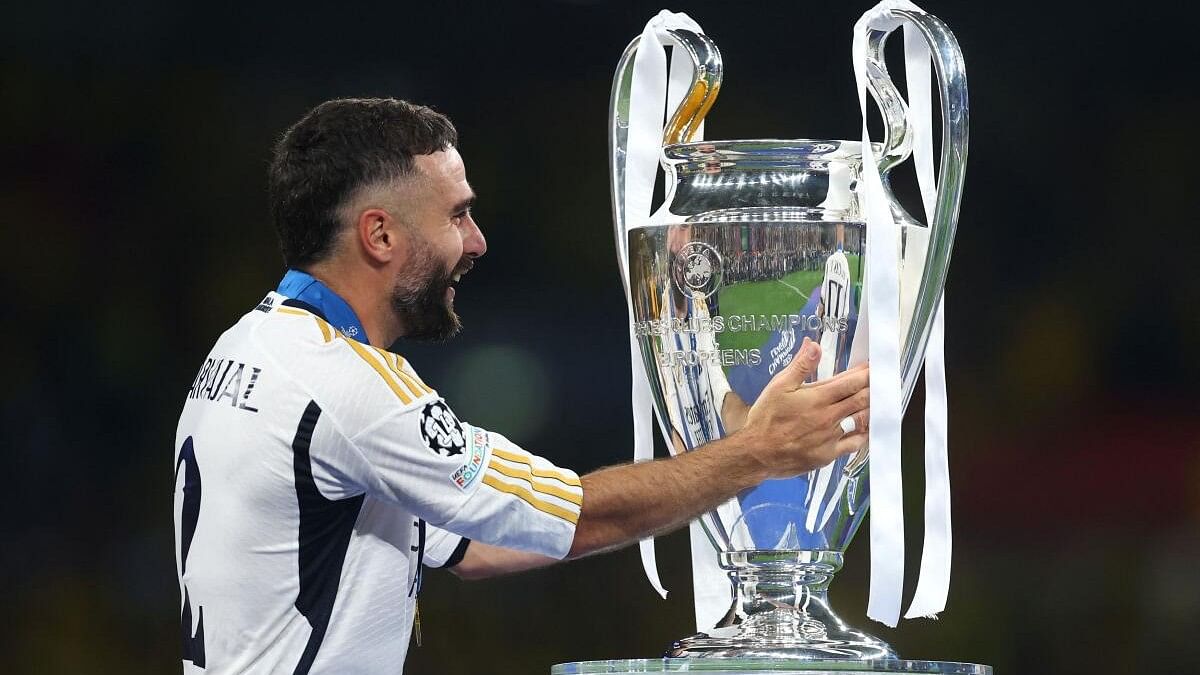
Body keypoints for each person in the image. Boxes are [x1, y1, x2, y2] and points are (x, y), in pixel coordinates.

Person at [172, 97, 871, 674]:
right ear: (379, 235)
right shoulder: (347, 387)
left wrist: (707, 474)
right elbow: (574, 516)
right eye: (456, 214)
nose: (475, 241)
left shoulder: (253, 346)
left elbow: (474, 544)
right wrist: (757, 454)